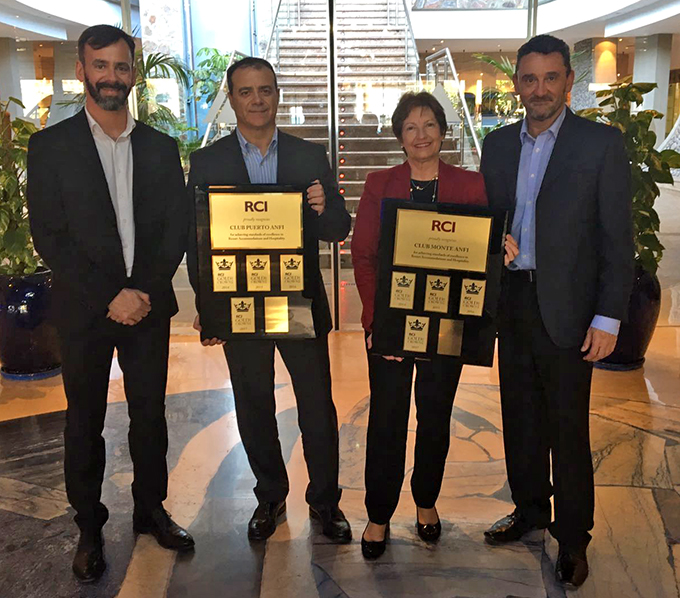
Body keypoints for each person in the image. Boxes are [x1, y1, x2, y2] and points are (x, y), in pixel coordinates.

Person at [26, 25, 194, 583]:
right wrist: (110, 296)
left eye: (121, 67)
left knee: (150, 416)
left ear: (134, 73)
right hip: (84, 312)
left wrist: (141, 291)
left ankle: (151, 511)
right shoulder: (50, 147)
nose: (111, 77)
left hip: (146, 307)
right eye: (101, 66)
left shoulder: (160, 147)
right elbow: (50, 237)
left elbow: (175, 228)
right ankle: (90, 526)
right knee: (85, 421)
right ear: (82, 71)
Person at [479, 34, 633, 588]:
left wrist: (609, 317)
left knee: (567, 428)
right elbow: (488, 220)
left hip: (569, 308)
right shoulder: (496, 146)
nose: (539, 89)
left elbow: (620, 239)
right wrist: (493, 240)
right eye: (528, 78)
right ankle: (529, 511)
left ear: (569, 81)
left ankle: (573, 537)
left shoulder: (601, 145)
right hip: (511, 304)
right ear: (516, 84)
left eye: (550, 78)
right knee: (518, 418)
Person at [186, 57, 352, 543]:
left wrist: (324, 209)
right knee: (253, 402)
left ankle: (325, 502)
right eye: (245, 92)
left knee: (317, 406)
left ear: (278, 95)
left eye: (265, 90)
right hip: (238, 305)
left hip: (298, 302)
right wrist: (209, 307)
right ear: (231, 98)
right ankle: (270, 495)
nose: (257, 100)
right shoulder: (208, 161)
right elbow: (196, 242)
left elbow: (337, 228)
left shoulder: (308, 155)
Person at [351, 91, 487, 559]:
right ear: (399, 137)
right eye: (411, 127)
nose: (421, 135)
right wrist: (375, 325)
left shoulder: (470, 185)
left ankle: (426, 501)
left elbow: (479, 258)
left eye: (429, 125)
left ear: (443, 131)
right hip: (391, 325)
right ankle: (379, 513)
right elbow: (363, 255)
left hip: (446, 322)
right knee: (386, 420)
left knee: (435, 417)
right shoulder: (379, 182)